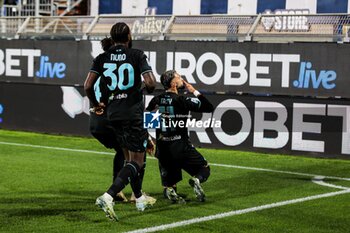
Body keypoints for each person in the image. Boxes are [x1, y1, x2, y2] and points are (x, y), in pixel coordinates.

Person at [84, 22, 156, 221]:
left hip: (112, 114)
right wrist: (139, 88)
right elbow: (150, 83)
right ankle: (108, 195)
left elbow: (87, 85)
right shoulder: (137, 55)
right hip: (132, 113)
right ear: (129, 36)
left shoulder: (102, 57)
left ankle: (139, 197)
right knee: (138, 162)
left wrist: (96, 103)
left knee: (128, 158)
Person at [146, 70, 213, 203]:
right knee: (205, 167)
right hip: (180, 146)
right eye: (179, 77)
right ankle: (196, 180)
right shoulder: (182, 100)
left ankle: (170, 189)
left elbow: (146, 120)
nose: (182, 79)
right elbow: (209, 107)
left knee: (169, 184)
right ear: (173, 84)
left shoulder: (156, 100)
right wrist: (194, 91)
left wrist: (148, 139)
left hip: (163, 148)